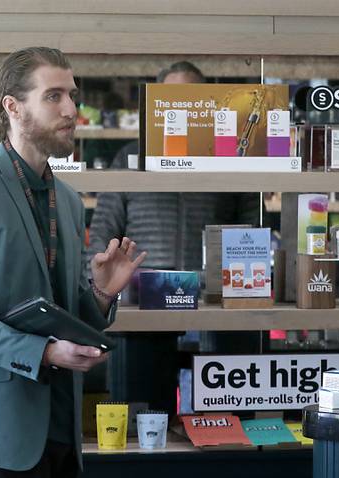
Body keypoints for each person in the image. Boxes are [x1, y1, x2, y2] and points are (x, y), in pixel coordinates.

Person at [0, 47, 146, 477]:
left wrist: (101, 293)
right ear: (13, 107)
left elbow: (57, 318)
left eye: (72, 96)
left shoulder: (65, 201)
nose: (70, 110)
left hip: (62, 431)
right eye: (54, 96)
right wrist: (44, 352)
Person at [86, 61, 260, 413]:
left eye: (192, 98)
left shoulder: (228, 159)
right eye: (172, 98)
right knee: (144, 421)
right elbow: (101, 237)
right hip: (145, 310)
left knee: (226, 422)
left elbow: (251, 234)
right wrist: (100, 296)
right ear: (158, 105)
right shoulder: (130, 159)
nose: (183, 107)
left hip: (216, 313)